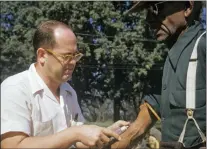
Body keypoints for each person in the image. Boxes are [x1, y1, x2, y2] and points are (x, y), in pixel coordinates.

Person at [1, 20, 130, 148]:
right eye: (66, 56)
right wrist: (74, 133)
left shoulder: (68, 92)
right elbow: (12, 146)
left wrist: (105, 133)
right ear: (42, 55)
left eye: (75, 55)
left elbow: (79, 141)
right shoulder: (15, 89)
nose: (73, 62)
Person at [110, 1, 206, 149]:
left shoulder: (203, 47)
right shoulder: (166, 63)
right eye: (146, 11)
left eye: (155, 8)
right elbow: (140, 126)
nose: (149, 19)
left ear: (187, 7)